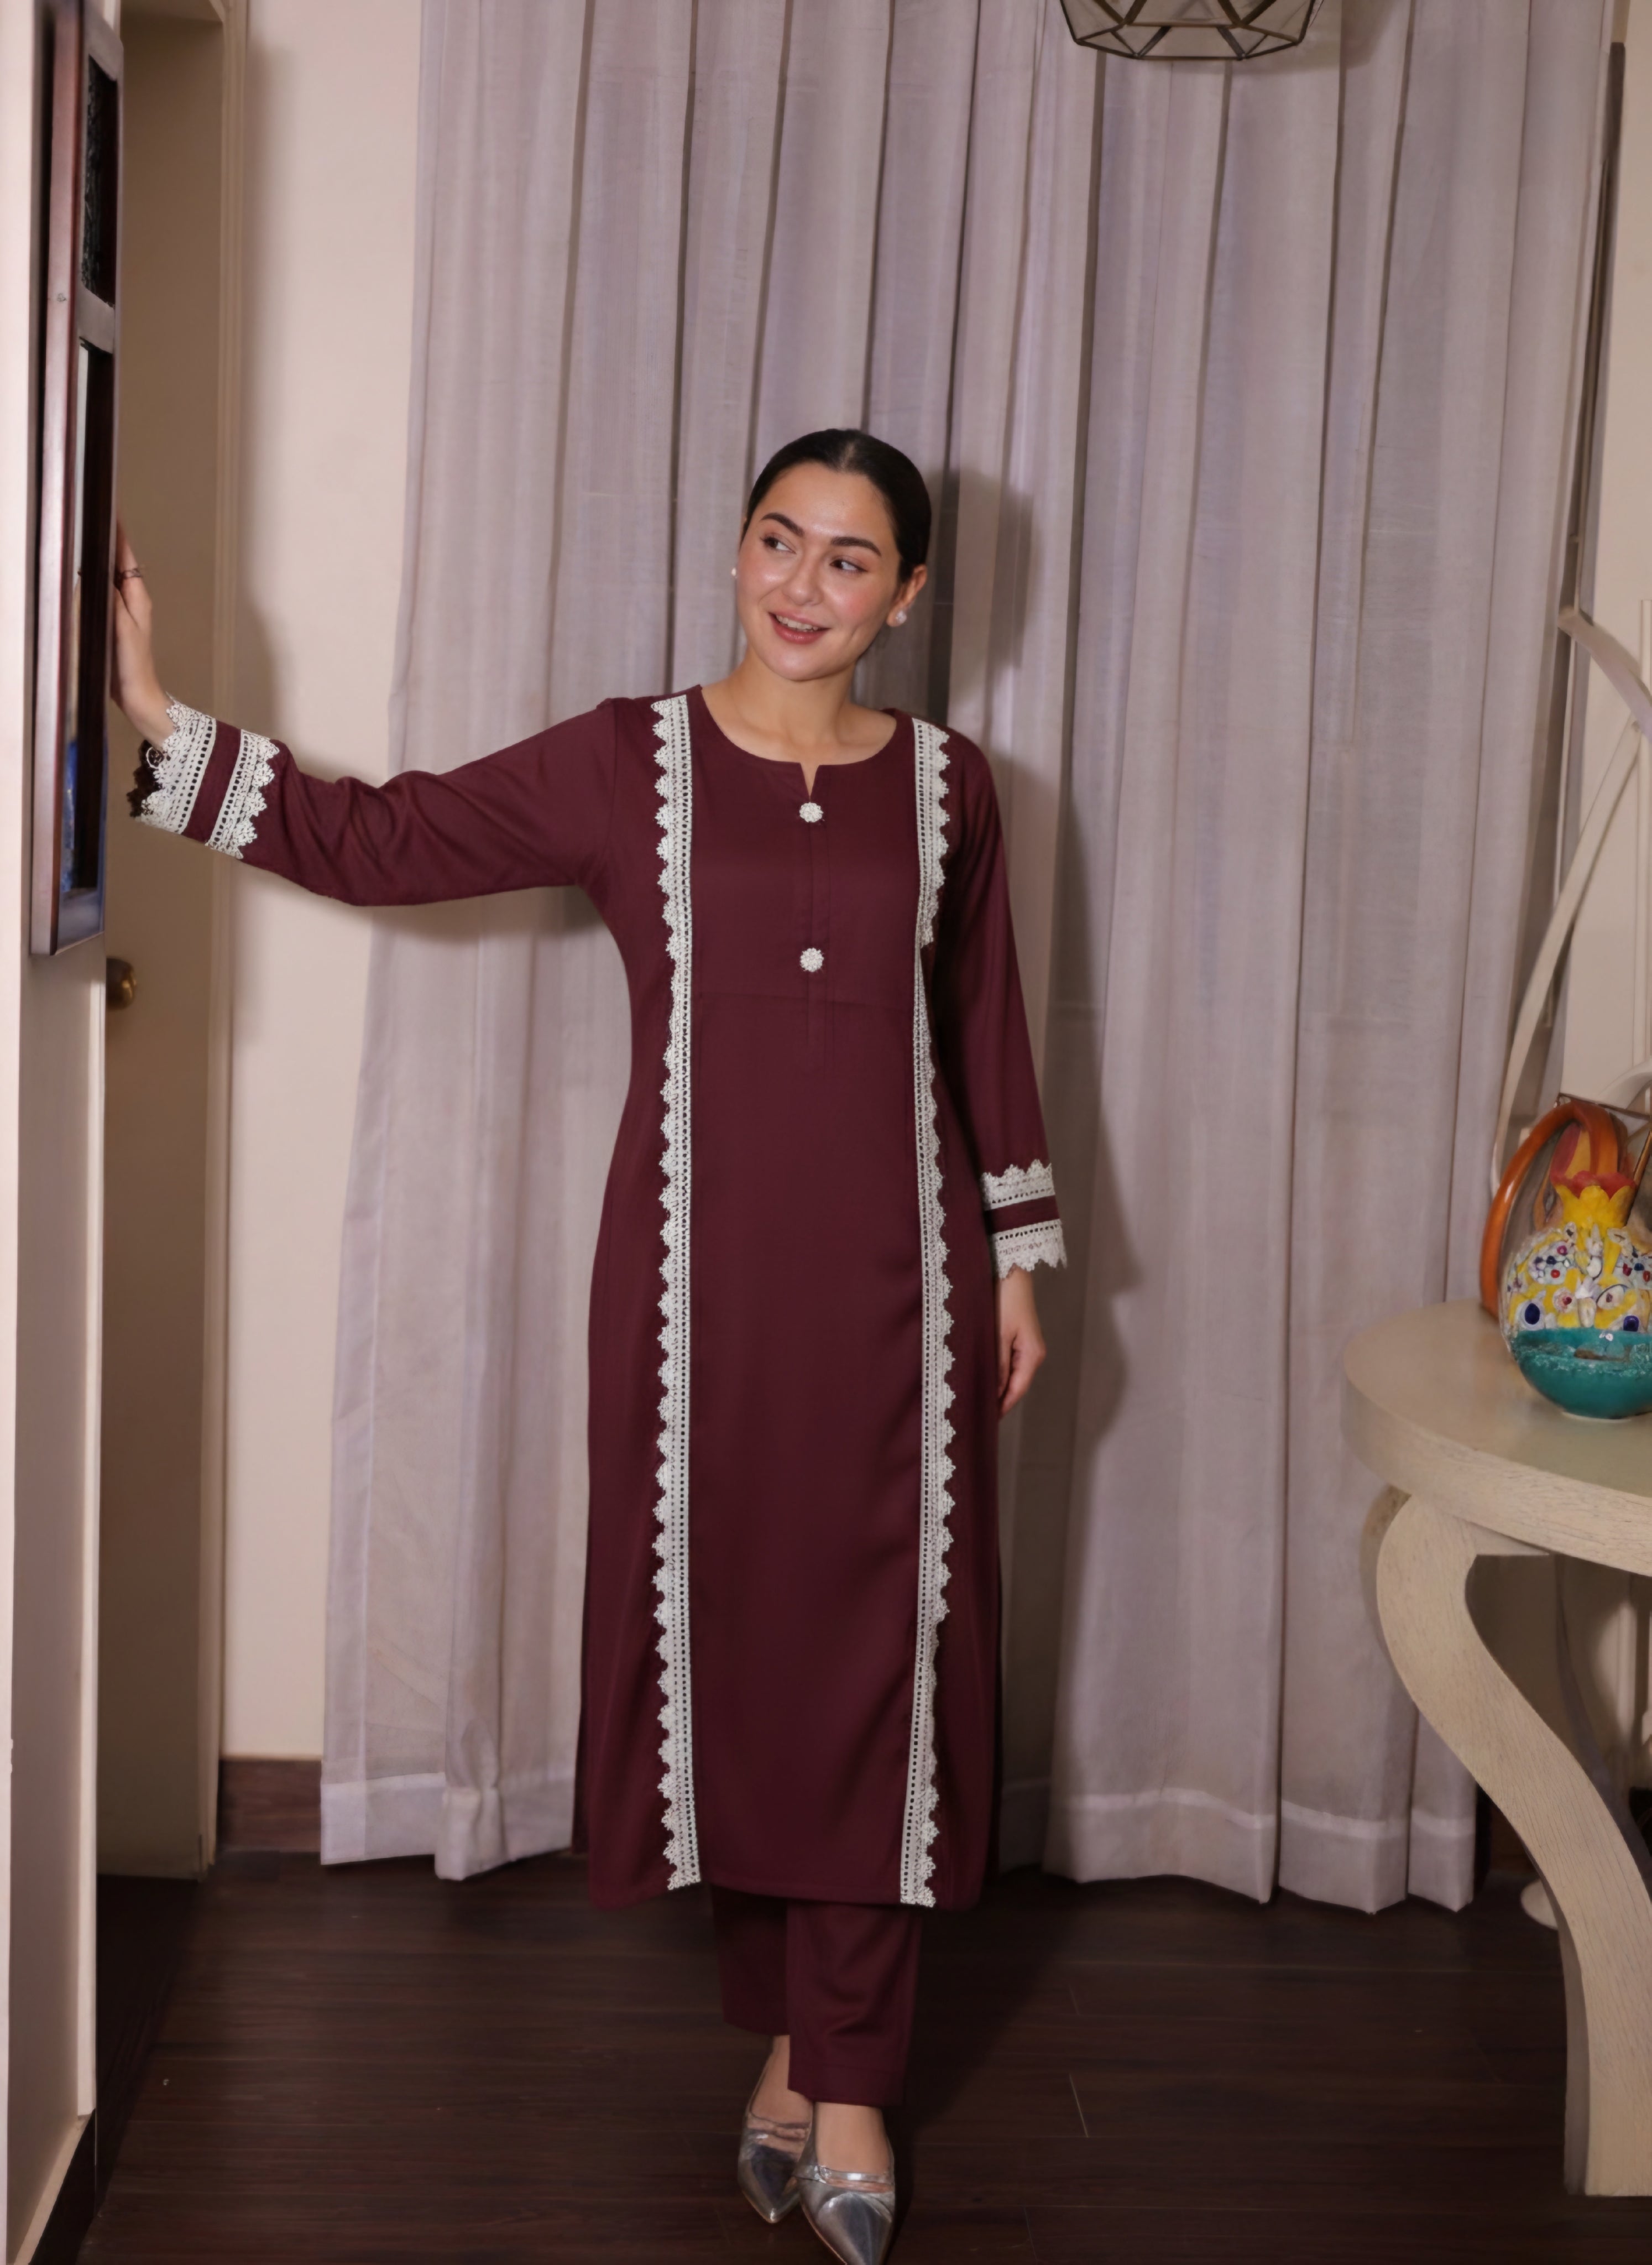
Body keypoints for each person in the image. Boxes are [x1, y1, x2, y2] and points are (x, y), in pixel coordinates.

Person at [111, 429, 1063, 2265]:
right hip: (695, 1293)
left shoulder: (952, 791)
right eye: (776, 540)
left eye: (849, 561)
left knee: (885, 1657)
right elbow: (385, 837)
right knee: (741, 1648)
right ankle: (789, 2039)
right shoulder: (630, 763)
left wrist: (1014, 1258)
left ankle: (845, 2073)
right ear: (732, 553)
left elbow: (985, 1034)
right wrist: (166, 718)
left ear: (910, 596)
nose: (802, 584)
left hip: (907, 1292)